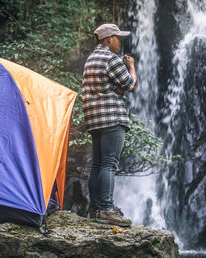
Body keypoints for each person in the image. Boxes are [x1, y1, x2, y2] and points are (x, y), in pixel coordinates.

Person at [82, 23, 137, 227]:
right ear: (108, 40)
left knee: (97, 164)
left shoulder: (91, 60)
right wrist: (131, 66)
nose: (119, 41)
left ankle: (96, 208)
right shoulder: (111, 59)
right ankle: (106, 209)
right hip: (112, 119)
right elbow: (130, 85)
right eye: (117, 38)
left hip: (94, 119)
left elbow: (104, 87)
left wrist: (116, 89)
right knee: (109, 163)